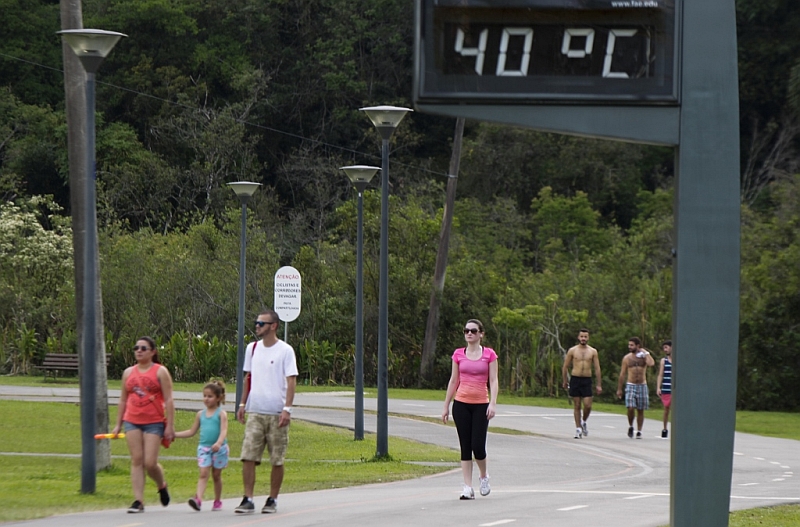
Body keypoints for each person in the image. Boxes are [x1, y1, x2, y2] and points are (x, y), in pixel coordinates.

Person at [234, 309, 298, 514]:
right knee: (248, 455)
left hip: (276, 413)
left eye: (261, 323)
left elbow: (291, 381)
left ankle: (272, 499)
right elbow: (248, 377)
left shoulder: (285, 351)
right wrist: (243, 404)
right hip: (256, 411)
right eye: (256, 323)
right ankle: (248, 498)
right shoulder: (252, 349)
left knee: (276, 458)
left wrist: (287, 409)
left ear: (273, 326)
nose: (257, 326)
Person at [111, 336, 175, 513]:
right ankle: (138, 501)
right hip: (132, 420)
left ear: (152, 352)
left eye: (143, 348)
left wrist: (169, 425)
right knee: (137, 460)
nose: (139, 350)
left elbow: (169, 399)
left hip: (154, 422)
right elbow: (123, 400)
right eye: (136, 347)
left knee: (150, 462)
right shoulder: (128, 373)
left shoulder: (160, 371)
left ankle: (161, 485)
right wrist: (118, 424)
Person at [442, 319, 499, 500]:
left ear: (481, 334)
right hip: (461, 404)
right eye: (466, 330)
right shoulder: (458, 354)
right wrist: (446, 406)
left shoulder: (489, 355)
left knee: (478, 446)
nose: (469, 334)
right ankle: (467, 486)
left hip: (481, 404)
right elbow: (453, 380)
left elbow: (494, 381)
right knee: (465, 447)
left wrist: (493, 403)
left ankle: (484, 476)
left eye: (473, 331)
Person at [175, 379, 229, 511]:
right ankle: (198, 499)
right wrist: (174, 434)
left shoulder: (221, 414)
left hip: (219, 449)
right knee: (203, 473)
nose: (206, 399)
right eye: (205, 396)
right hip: (204, 449)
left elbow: (223, 431)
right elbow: (191, 431)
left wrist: (218, 443)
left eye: (210, 396)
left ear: (218, 398)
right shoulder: (200, 414)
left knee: (216, 475)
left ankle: (217, 500)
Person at [562, 328, 602, 439]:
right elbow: (565, 367)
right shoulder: (572, 350)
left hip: (587, 380)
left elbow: (597, 368)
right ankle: (578, 428)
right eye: (581, 336)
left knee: (588, 405)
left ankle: (583, 421)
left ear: (588, 338)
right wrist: (565, 380)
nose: (583, 338)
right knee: (577, 405)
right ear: (578, 337)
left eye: (585, 336)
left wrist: (599, 384)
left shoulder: (593, 351)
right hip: (575, 379)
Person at [616, 337, 655, 439]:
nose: (630, 347)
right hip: (631, 384)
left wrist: (646, 353)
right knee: (630, 407)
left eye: (632, 345)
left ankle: (639, 431)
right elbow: (622, 374)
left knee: (641, 409)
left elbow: (651, 364)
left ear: (638, 346)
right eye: (629, 345)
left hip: (642, 385)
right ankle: (631, 425)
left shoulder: (644, 357)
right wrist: (619, 389)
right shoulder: (627, 358)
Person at [656, 340, 673, 439]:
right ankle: (665, 428)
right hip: (666, 388)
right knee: (666, 409)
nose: (665, 350)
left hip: (675, 388)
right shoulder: (663, 361)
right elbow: (660, 374)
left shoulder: (677, 360)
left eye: (666, 347)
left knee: (676, 410)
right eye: (664, 348)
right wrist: (658, 387)